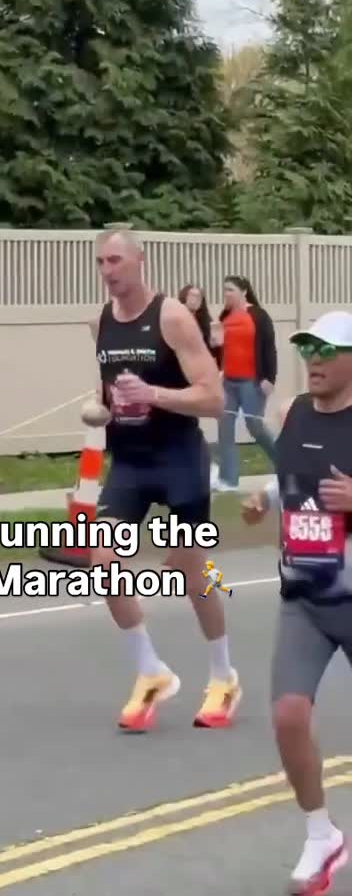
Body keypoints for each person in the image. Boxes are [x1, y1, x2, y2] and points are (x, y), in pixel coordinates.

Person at [89, 228, 242, 733]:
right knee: (102, 558)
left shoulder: (171, 317)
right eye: (101, 262)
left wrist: (154, 394)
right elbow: (107, 393)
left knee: (188, 568)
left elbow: (214, 399)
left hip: (178, 459)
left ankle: (223, 676)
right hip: (130, 462)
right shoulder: (102, 324)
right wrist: (98, 408)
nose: (109, 271)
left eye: (116, 260)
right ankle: (150, 670)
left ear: (139, 261)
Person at [241, 310, 352, 896]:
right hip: (305, 595)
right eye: (308, 348)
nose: (314, 359)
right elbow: (292, 471)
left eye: (328, 350)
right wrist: (263, 497)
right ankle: (320, 833)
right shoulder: (298, 413)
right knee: (287, 716)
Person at [212, 274, 277, 492]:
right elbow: (220, 347)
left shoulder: (258, 315)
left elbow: (269, 347)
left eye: (230, 290)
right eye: (225, 290)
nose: (226, 294)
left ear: (243, 291)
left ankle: (287, 464)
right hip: (229, 381)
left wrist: (270, 378)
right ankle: (228, 480)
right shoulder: (225, 316)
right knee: (225, 428)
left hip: (252, 381)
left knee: (255, 426)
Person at [179, 284, 221, 362]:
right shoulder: (175, 315)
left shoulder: (204, 320)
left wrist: (215, 342)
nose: (195, 300)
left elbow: (211, 350)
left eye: (199, 297)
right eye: (192, 295)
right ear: (184, 297)